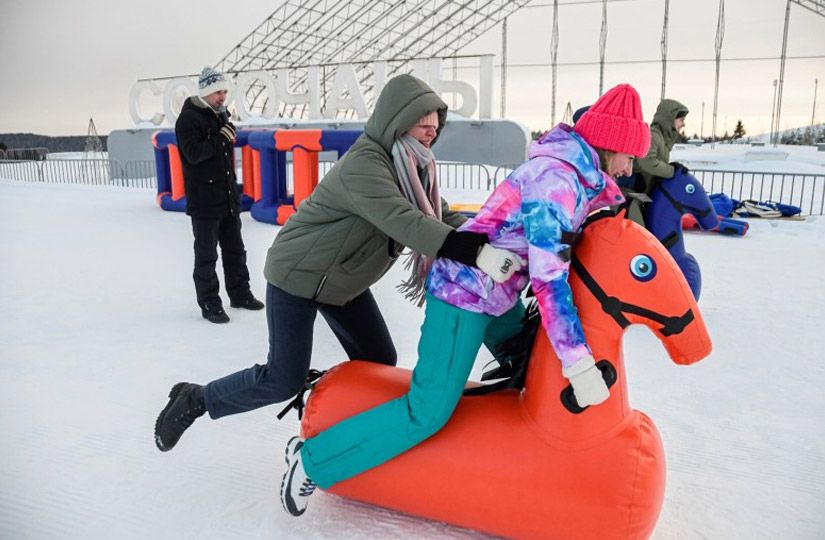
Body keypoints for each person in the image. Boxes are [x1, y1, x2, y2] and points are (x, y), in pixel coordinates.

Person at [278, 83, 651, 516]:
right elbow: (550, 280)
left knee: (526, 368)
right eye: (630, 154)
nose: (630, 167)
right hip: (465, 294)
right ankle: (312, 462)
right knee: (428, 410)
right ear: (611, 145)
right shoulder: (557, 182)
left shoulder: (575, 179)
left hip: (499, 292)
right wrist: (577, 360)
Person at [154, 74, 522, 453]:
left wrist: (499, 238)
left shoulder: (414, 164)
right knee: (283, 378)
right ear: (396, 119)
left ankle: (341, 424)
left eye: (435, 125)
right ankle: (196, 399)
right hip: (298, 274)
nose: (431, 132)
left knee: (377, 359)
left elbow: (439, 214)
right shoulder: (366, 163)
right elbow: (404, 220)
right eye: (422, 123)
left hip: (342, 281)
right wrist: (475, 252)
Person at [175, 66, 264, 324]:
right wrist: (220, 139)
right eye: (217, 92)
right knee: (207, 255)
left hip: (226, 198)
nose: (222, 96)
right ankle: (210, 303)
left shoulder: (219, 116)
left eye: (224, 91)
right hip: (204, 202)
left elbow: (220, 151)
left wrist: (223, 136)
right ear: (204, 92)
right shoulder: (188, 120)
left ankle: (240, 294)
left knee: (235, 249)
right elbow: (193, 154)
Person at [623, 98, 689, 225]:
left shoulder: (663, 140)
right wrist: (673, 171)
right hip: (629, 192)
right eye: (681, 120)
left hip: (641, 194)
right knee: (639, 231)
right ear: (670, 118)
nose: (683, 124)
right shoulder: (653, 135)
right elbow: (647, 162)